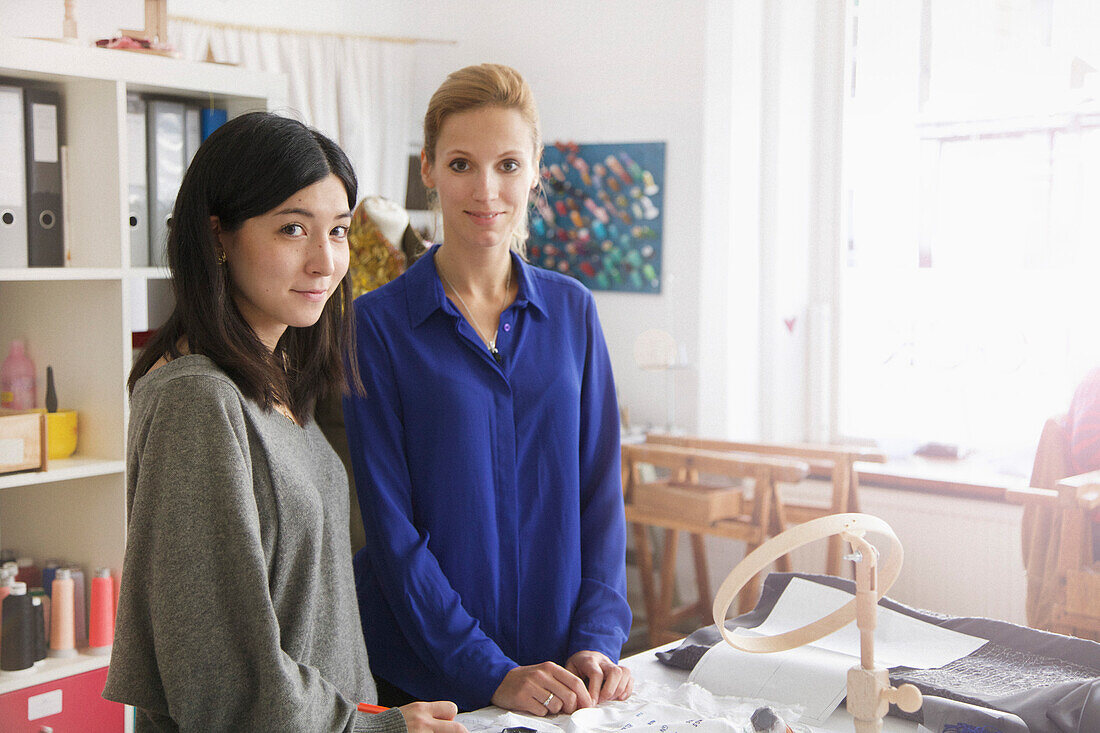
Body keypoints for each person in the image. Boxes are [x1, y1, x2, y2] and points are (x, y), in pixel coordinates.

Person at [102, 111, 464, 733]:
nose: (325, 262)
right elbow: (224, 681)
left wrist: (372, 715)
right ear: (219, 236)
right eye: (293, 229)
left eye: (339, 231)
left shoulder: (271, 380)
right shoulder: (198, 400)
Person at [343, 64, 633, 716]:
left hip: (563, 681)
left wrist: (596, 637)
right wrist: (491, 672)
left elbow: (600, 499)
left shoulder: (574, 313)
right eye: (461, 164)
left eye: (507, 164)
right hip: (426, 683)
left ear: (534, 170)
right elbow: (394, 535)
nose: (486, 189)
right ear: (428, 169)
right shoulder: (376, 326)